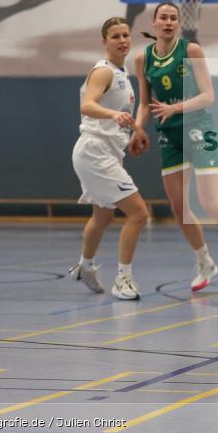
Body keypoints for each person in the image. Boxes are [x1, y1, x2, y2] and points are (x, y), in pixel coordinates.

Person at [130, 2, 218, 292]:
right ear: (154, 22)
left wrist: (178, 108)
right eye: (164, 17)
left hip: (200, 129)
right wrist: (137, 128)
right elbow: (146, 104)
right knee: (178, 208)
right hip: (169, 136)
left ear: (178, 23)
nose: (169, 22)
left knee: (210, 201)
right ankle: (204, 261)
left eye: (174, 18)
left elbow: (209, 95)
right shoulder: (143, 58)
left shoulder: (191, 51)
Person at [69, 17, 150, 300]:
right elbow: (87, 105)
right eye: (115, 36)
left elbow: (121, 115)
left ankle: (85, 266)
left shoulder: (122, 72)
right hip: (94, 151)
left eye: (126, 35)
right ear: (105, 42)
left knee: (102, 216)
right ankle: (123, 280)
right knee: (139, 213)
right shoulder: (102, 72)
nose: (123, 40)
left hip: (107, 151)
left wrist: (136, 130)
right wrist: (114, 115)